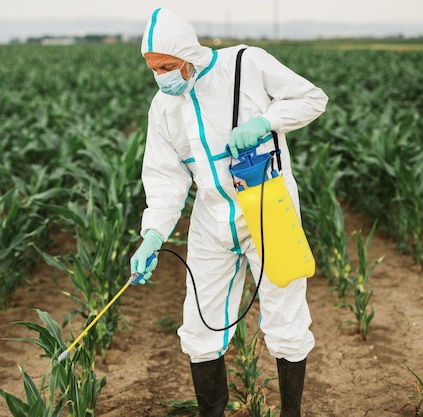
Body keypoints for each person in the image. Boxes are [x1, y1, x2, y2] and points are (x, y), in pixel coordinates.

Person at [130, 8, 328, 417]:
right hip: (211, 218)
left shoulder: (245, 64)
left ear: (187, 54)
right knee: (199, 327)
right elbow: (166, 177)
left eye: (167, 65)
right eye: (153, 68)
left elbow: (313, 98)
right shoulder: (163, 108)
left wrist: (265, 121)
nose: (161, 76)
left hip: (268, 208)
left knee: (285, 318)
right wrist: (153, 233)